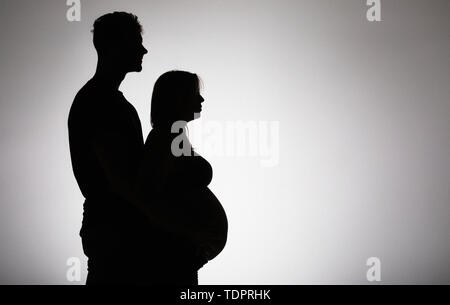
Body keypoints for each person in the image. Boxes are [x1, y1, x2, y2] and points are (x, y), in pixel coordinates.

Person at [135, 71, 228, 272]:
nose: (201, 98)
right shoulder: (162, 139)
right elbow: (152, 197)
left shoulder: (175, 139)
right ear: (178, 98)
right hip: (175, 256)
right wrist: (187, 237)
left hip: (184, 253)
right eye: (194, 93)